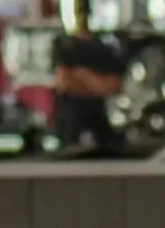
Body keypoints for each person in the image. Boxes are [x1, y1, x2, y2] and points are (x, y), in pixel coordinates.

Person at [52, 0, 125, 151]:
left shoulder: (104, 50)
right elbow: (64, 82)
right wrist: (94, 83)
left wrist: (82, 76)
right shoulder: (64, 48)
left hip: (99, 123)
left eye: (83, 13)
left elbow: (111, 86)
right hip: (69, 127)